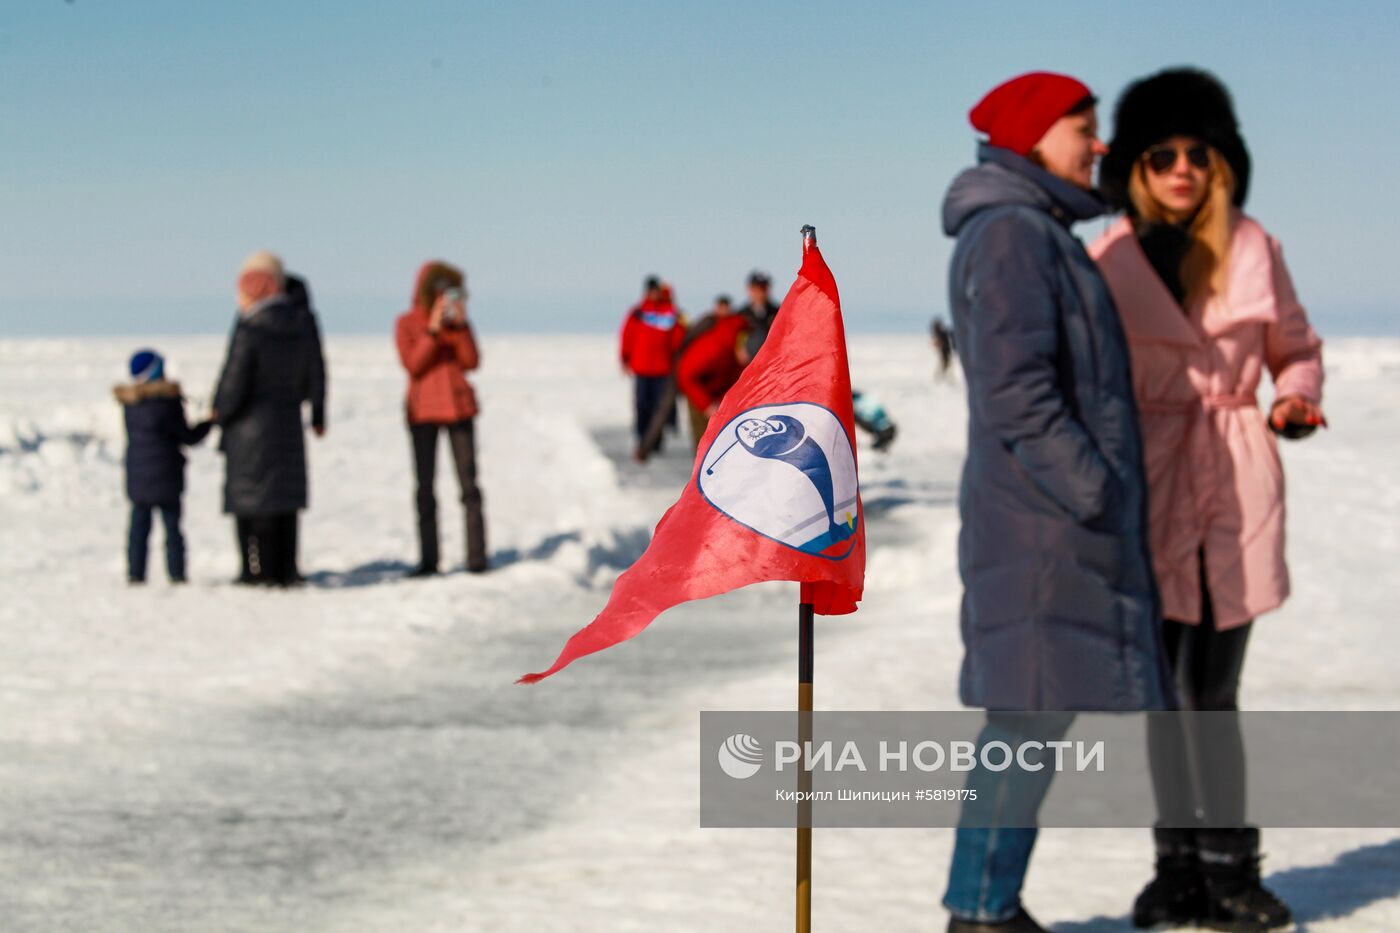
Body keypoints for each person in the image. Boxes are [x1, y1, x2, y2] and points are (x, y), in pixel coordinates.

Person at [940, 72, 1174, 932]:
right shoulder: (1012, 235)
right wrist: (1094, 489)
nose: (1098, 142)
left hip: (1046, 523)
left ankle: (988, 904)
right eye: (1084, 126)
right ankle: (981, 912)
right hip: (1043, 526)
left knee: (1030, 721)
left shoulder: (1036, 230)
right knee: (1024, 722)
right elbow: (1017, 392)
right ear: (1036, 137)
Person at [1090, 68, 1324, 932]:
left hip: (1233, 474)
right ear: (1137, 168)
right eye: (1162, 153)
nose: (1182, 167)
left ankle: (1233, 872)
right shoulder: (1106, 255)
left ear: (1221, 162)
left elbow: (1296, 347)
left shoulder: (1256, 247)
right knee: (1162, 690)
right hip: (1144, 480)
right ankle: (1174, 869)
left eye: (1198, 152)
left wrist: (1294, 395)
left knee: (1212, 692)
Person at [212, 251, 319, 586]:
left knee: (251, 503)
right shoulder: (301, 321)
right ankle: (286, 567)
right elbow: (315, 370)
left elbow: (235, 379)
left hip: (249, 428)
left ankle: (254, 569)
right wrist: (316, 408)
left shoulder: (250, 327)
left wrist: (220, 412)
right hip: (286, 421)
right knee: (283, 501)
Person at [395, 261, 488, 576]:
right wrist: (432, 331)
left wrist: (460, 327)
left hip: (459, 410)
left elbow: (472, 361)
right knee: (425, 488)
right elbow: (413, 364)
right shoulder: (407, 323)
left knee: (469, 486)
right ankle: (429, 560)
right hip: (423, 412)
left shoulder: (458, 324)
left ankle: (477, 559)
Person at [114, 349, 212, 584]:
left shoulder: (131, 405)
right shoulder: (167, 403)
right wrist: (208, 423)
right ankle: (176, 575)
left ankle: (135, 575)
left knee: (138, 531)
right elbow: (186, 436)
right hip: (167, 476)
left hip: (138, 477)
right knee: (172, 530)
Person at [619, 276, 684, 459]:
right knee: (642, 405)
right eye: (651, 291)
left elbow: (679, 337)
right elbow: (627, 336)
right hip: (642, 368)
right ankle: (641, 437)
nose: (654, 294)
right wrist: (625, 359)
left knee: (659, 408)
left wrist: (671, 299)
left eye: (657, 291)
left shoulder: (669, 312)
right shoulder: (637, 312)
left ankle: (656, 440)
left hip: (663, 369)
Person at [674, 294, 748, 448]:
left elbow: (733, 376)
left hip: (718, 391)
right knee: (704, 442)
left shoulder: (739, 338)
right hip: (698, 391)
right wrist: (706, 405)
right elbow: (686, 375)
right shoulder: (714, 349)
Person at [737, 270, 779, 362]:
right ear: (750, 289)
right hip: (748, 362)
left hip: (772, 361)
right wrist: (739, 351)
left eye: (763, 288)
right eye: (757, 288)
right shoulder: (741, 314)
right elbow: (736, 337)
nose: (760, 292)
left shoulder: (778, 312)